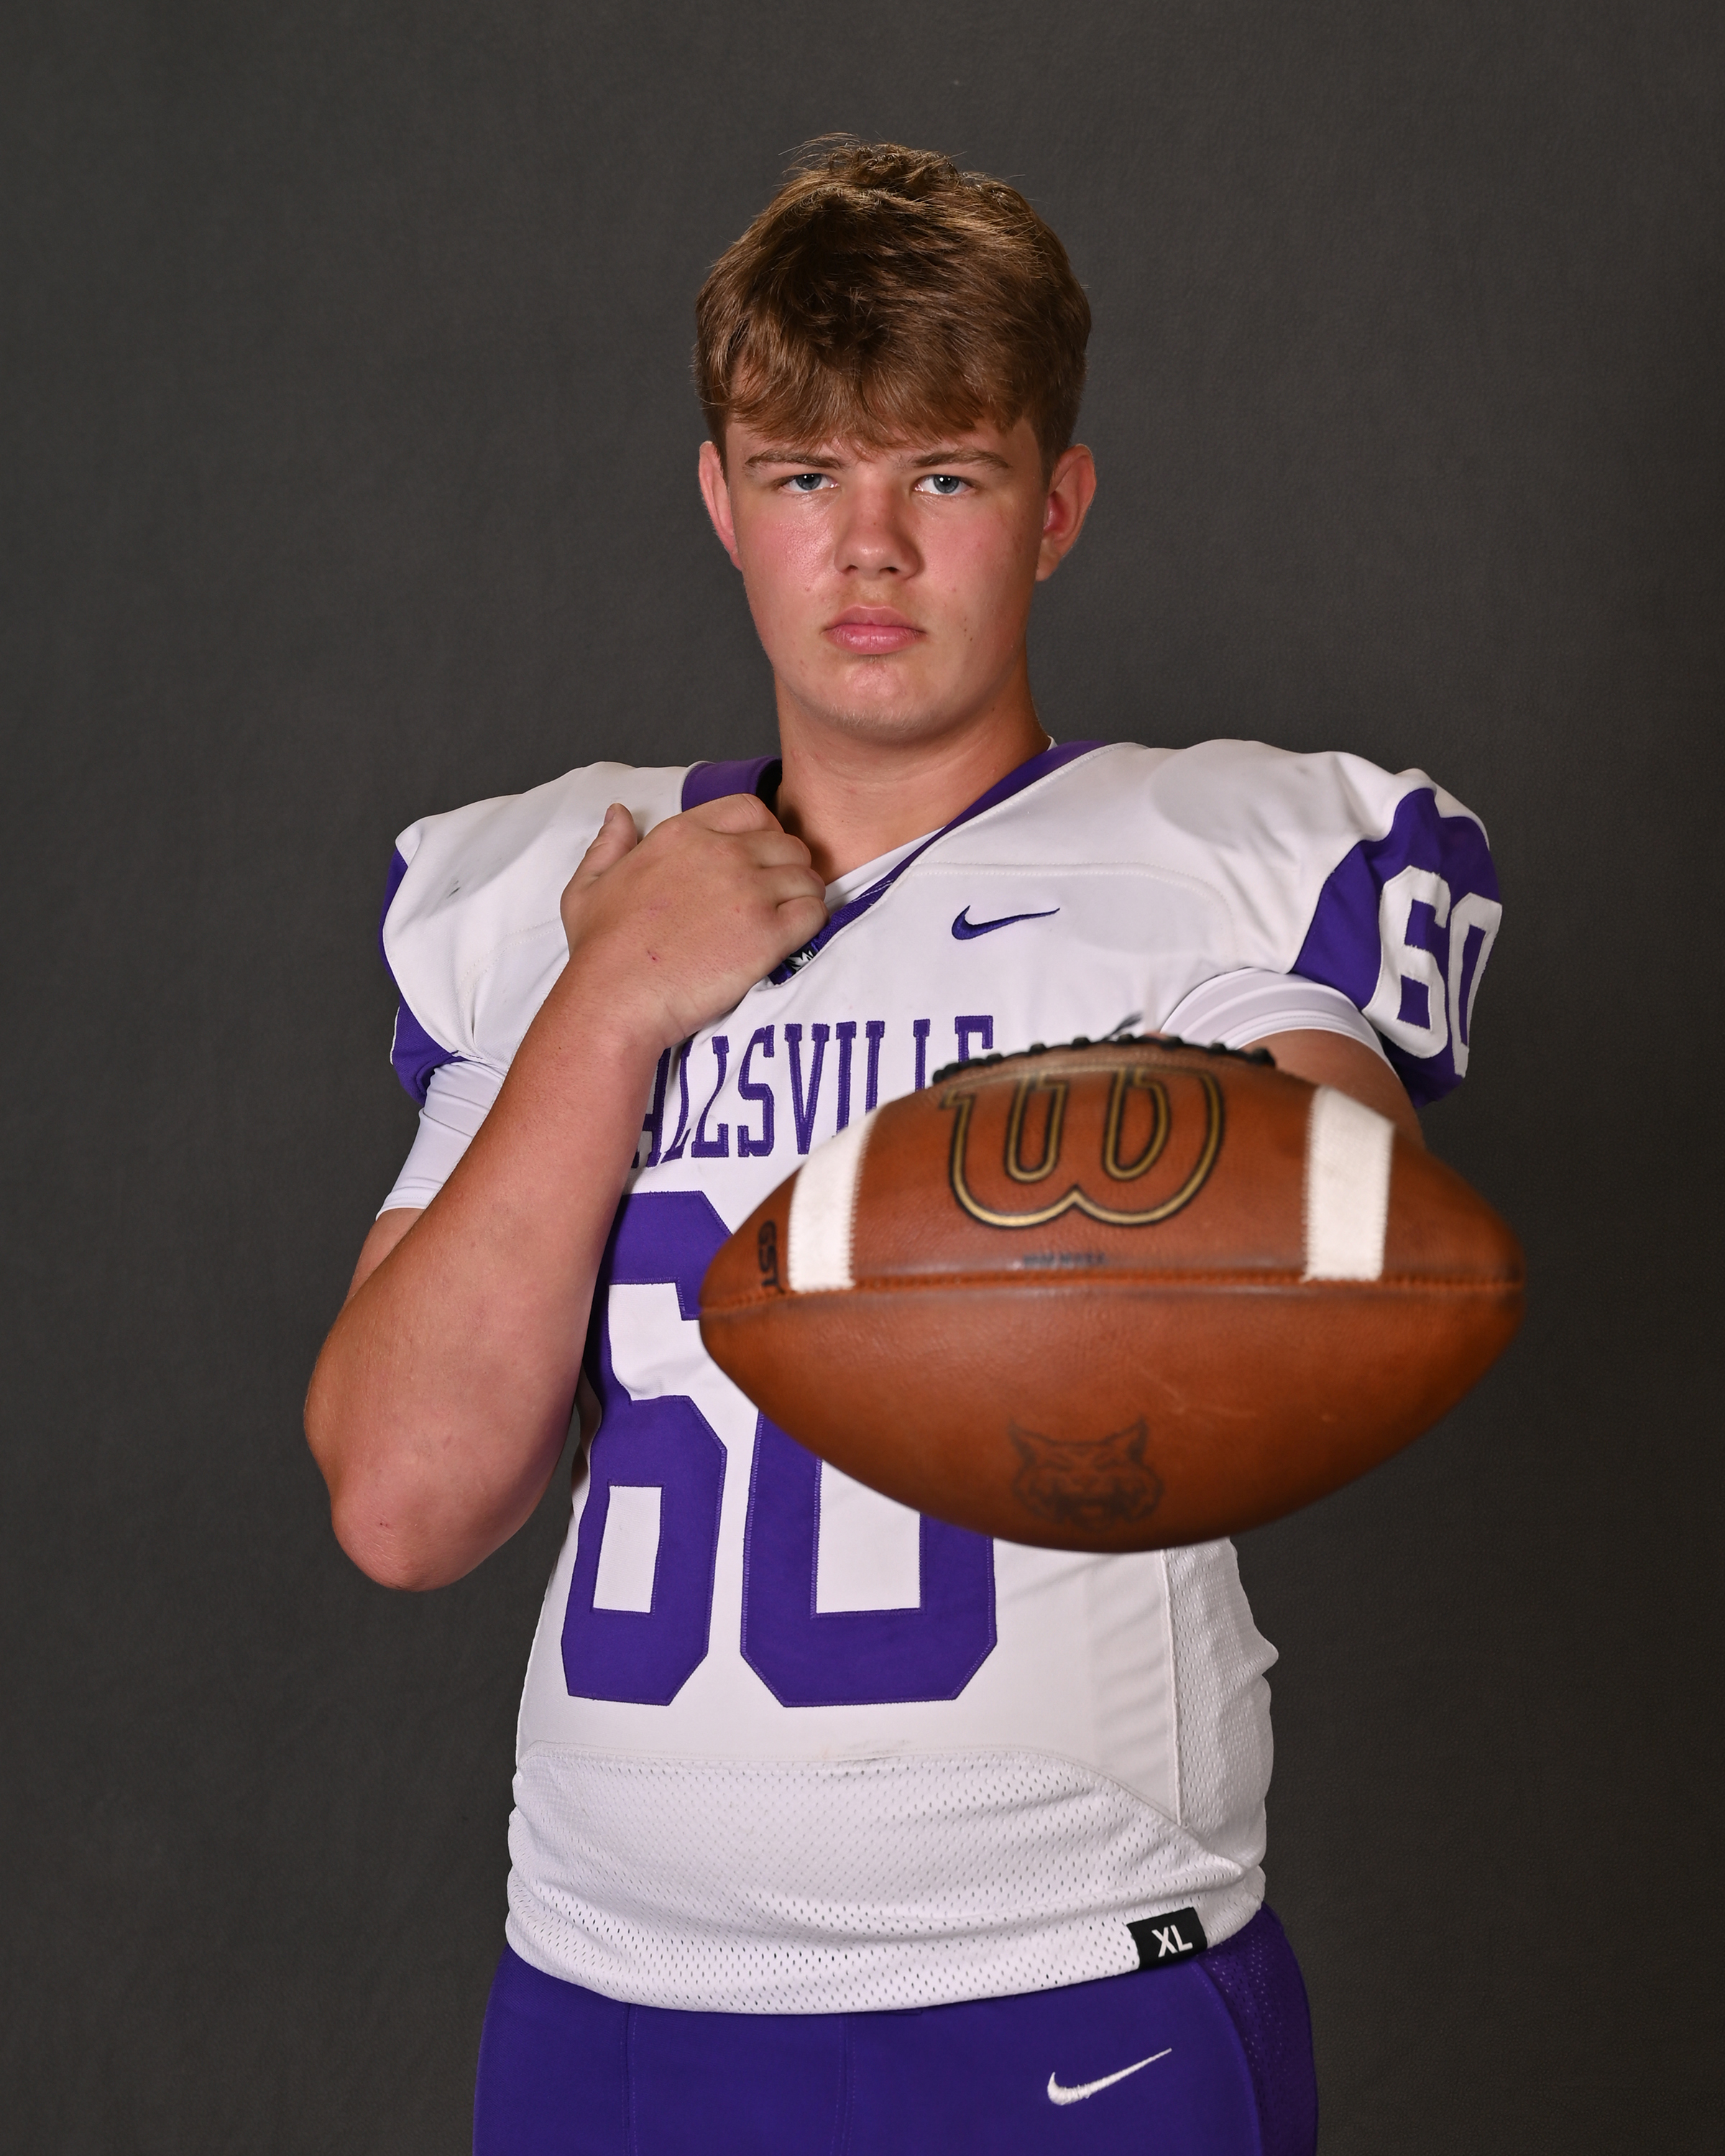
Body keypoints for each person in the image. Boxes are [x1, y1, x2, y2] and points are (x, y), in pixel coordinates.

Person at [306, 141, 1500, 2155]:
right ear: (722, 503)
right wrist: (609, 1002)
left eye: (943, 476)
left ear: (1057, 506)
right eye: (804, 478)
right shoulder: (576, 890)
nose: (867, 552)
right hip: (604, 2007)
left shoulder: (1204, 873)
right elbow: (408, 1501)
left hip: (1059, 1994)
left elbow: (1356, 1266)